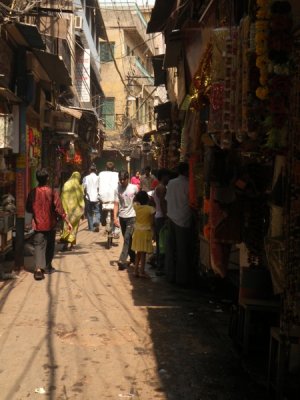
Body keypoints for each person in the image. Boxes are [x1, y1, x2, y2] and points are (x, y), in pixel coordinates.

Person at [26, 168, 72, 280]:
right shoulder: (52, 192)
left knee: (38, 246)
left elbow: (28, 208)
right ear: (47, 179)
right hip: (50, 224)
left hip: (38, 224)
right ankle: (46, 267)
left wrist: (36, 213)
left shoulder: (33, 192)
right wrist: (67, 222)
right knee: (50, 246)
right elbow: (59, 209)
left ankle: (38, 270)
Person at [165, 162, 192, 285]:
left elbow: (166, 199)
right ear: (187, 172)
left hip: (171, 217)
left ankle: (170, 276)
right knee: (182, 250)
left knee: (171, 248)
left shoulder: (171, 183)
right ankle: (182, 279)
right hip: (183, 219)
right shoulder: (188, 184)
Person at [114, 170, 138, 270]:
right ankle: (134, 258)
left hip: (132, 217)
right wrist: (114, 218)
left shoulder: (134, 188)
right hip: (122, 217)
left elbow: (139, 199)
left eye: (124, 179)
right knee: (127, 238)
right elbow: (116, 203)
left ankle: (122, 260)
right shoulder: (117, 189)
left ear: (128, 178)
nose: (122, 181)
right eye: (120, 180)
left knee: (127, 238)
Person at [131, 191, 155, 278]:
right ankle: (142, 271)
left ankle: (135, 270)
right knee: (144, 253)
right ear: (147, 199)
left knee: (138, 252)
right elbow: (152, 222)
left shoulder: (137, 207)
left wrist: (136, 197)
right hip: (146, 232)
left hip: (137, 232)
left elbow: (133, 201)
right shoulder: (150, 209)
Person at [60, 171, 85, 251]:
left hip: (67, 209)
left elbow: (62, 196)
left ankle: (65, 244)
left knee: (66, 226)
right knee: (74, 228)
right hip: (76, 211)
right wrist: (82, 209)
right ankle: (71, 245)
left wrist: (63, 208)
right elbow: (81, 199)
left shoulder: (66, 184)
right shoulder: (78, 186)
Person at [152, 168, 170, 275]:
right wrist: (166, 216)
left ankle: (160, 265)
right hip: (161, 217)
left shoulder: (158, 187)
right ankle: (160, 266)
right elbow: (163, 203)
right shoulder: (162, 188)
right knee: (162, 243)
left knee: (160, 243)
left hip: (158, 216)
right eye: (167, 176)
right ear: (163, 176)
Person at [98, 161, 119, 232]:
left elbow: (98, 186)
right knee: (117, 211)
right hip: (114, 198)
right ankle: (116, 226)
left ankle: (102, 220)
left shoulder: (101, 174)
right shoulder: (117, 174)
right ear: (114, 168)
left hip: (103, 198)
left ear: (106, 168)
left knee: (100, 206)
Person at [83, 164, 100, 231]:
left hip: (88, 197)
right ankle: (96, 222)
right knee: (97, 211)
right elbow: (99, 187)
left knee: (89, 213)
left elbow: (84, 187)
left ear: (89, 170)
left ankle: (91, 228)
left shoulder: (85, 178)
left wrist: (85, 194)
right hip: (96, 197)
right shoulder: (98, 178)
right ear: (96, 170)